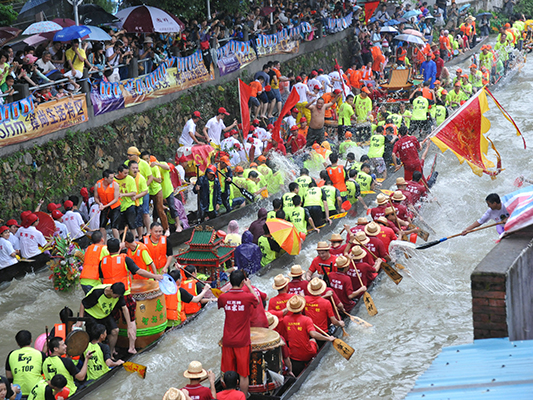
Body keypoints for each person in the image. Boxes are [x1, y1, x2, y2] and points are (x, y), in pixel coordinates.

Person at [97, 239, 162, 354]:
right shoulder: (125, 259)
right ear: (119, 248)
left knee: (113, 322)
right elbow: (139, 271)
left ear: (107, 250)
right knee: (131, 321)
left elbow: (102, 280)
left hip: (109, 297)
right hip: (125, 295)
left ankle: (112, 350)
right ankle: (131, 347)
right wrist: (155, 276)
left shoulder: (102, 262)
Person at [217, 270, 260, 395]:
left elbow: (220, 303)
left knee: (229, 373)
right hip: (242, 341)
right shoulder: (248, 297)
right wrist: (250, 286)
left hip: (228, 340)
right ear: (242, 283)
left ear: (230, 282)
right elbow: (257, 301)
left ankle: (229, 396)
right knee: (243, 374)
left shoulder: (223, 297)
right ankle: (243, 397)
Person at [284, 295, 334, 376]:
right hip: (307, 354)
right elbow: (313, 334)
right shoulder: (307, 319)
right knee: (313, 339)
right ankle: (314, 357)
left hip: (293, 355)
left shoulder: (285, 319)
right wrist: (328, 338)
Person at [5, 330, 45, 396]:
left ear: (17, 343)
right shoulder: (40, 354)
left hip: (17, 393)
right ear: (31, 340)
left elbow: (9, 376)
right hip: (36, 392)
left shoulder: (11, 354)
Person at [94, 169, 121, 240]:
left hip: (115, 207)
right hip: (104, 207)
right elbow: (96, 197)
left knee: (114, 227)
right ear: (105, 178)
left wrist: (105, 206)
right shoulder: (97, 185)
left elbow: (115, 199)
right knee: (102, 226)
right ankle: (104, 243)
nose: (113, 179)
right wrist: (99, 204)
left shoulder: (115, 185)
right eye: (111, 178)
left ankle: (117, 242)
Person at [114, 164, 138, 235]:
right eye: (125, 173)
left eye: (127, 173)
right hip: (118, 205)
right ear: (119, 172)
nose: (126, 174)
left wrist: (123, 195)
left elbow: (134, 192)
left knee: (132, 225)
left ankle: (133, 241)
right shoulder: (114, 180)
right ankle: (122, 241)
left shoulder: (130, 179)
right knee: (120, 226)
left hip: (129, 204)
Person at [128, 160, 149, 238]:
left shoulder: (141, 178)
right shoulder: (126, 177)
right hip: (128, 203)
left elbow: (145, 191)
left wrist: (136, 197)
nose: (135, 170)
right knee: (130, 222)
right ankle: (132, 237)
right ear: (129, 168)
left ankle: (140, 237)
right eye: (133, 168)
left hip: (137, 202)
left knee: (138, 221)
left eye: (136, 168)